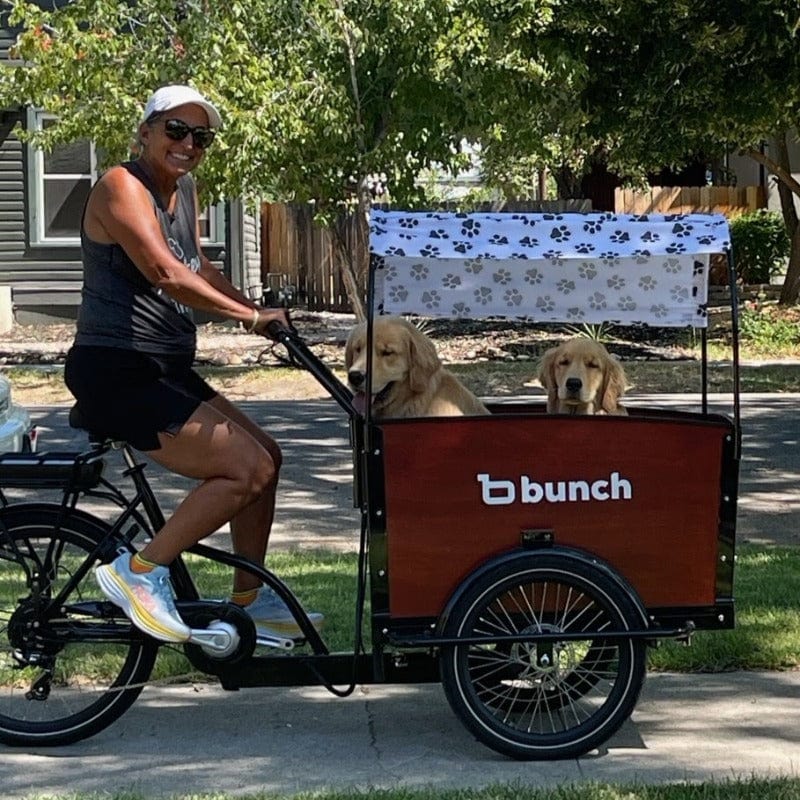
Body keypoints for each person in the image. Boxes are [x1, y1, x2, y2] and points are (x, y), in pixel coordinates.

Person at [64, 84, 322, 644]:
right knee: (243, 468)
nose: (187, 144)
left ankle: (250, 603)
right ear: (147, 131)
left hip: (161, 370)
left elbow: (197, 267)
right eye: (176, 130)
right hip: (117, 370)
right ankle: (140, 572)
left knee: (267, 459)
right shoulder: (120, 186)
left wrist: (258, 310)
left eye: (199, 136)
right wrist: (247, 321)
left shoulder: (182, 192)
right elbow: (164, 273)